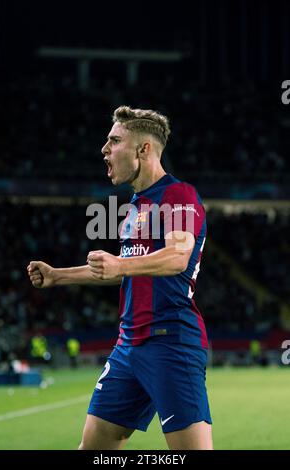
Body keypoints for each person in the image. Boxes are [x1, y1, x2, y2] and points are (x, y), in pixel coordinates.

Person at [27, 106, 213, 450]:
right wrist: (59, 276)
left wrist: (121, 266)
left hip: (171, 342)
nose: (104, 149)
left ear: (143, 150)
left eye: (114, 141)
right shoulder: (135, 206)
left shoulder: (179, 195)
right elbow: (120, 269)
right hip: (129, 346)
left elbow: (177, 257)